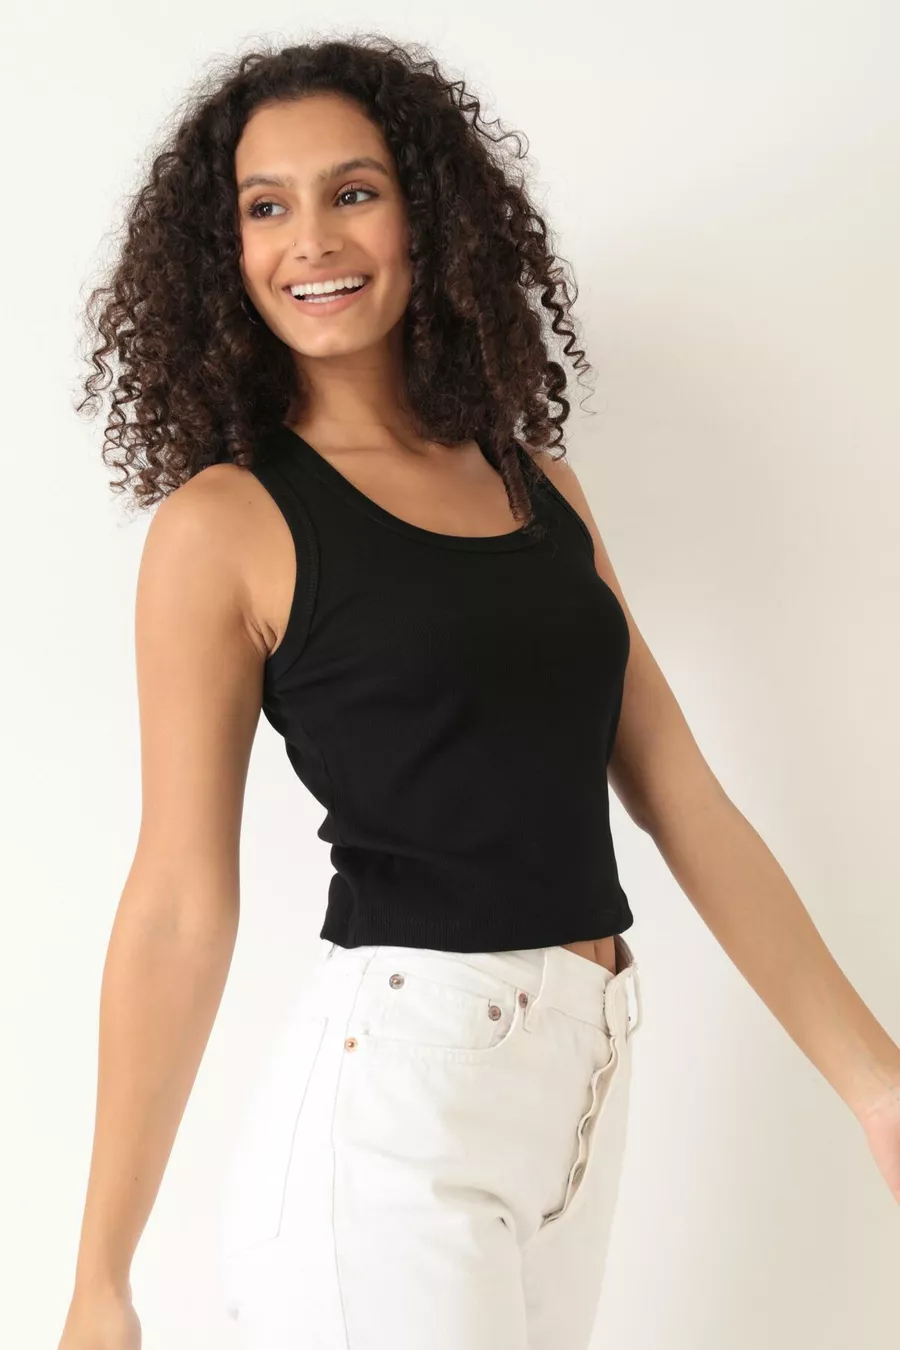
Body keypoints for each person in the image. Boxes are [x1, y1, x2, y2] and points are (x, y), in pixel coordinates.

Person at [60, 31, 900, 1350]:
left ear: (427, 215)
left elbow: (681, 793)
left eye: (352, 191)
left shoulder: (535, 485)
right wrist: (101, 1274)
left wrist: (877, 1084)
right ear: (222, 252)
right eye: (265, 208)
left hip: (583, 1090)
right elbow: (176, 899)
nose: (310, 239)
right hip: (396, 1116)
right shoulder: (225, 527)